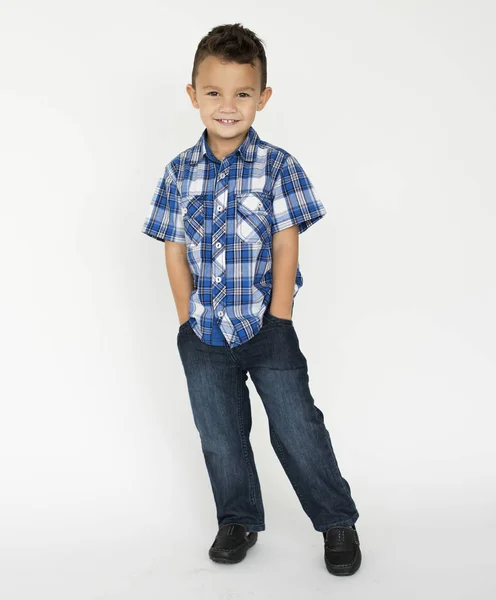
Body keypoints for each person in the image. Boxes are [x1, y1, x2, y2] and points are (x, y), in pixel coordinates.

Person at [142, 23, 361, 576]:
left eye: (243, 93)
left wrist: (280, 315)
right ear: (193, 96)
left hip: (266, 328)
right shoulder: (178, 173)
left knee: (297, 427)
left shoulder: (278, 167)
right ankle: (237, 519)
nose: (228, 106)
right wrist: (186, 319)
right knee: (219, 435)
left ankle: (336, 521)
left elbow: (286, 243)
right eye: (214, 92)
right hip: (204, 333)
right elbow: (173, 252)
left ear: (262, 98)